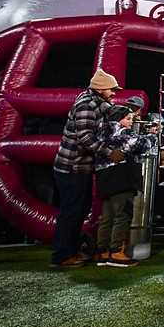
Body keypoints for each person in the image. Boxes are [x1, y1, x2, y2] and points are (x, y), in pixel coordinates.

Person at [50, 68, 120, 268]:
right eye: (111, 89)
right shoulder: (87, 105)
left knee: (78, 211)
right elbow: (85, 138)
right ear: (100, 89)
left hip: (78, 169)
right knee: (72, 212)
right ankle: (62, 256)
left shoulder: (93, 101)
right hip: (73, 169)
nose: (114, 93)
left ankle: (70, 250)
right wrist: (108, 152)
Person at [92, 104, 158, 267]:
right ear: (118, 119)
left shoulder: (101, 130)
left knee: (108, 216)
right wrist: (152, 136)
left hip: (103, 176)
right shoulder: (120, 130)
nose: (130, 122)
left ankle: (103, 252)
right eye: (128, 119)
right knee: (123, 214)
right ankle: (116, 253)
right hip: (121, 175)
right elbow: (139, 145)